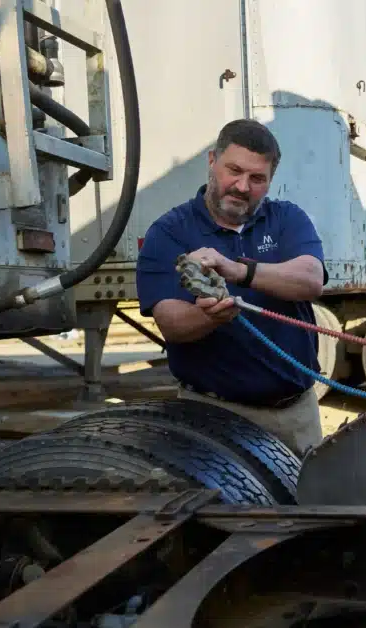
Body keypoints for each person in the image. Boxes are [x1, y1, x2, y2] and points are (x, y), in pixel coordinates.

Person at [136, 119, 328, 457]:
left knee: (305, 507)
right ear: (212, 161)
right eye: (233, 170)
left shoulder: (287, 218)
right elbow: (171, 323)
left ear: (270, 181)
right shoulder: (169, 232)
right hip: (213, 417)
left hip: (296, 413)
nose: (241, 186)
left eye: (257, 179)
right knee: (225, 509)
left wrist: (239, 271)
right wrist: (211, 316)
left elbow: (311, 279)